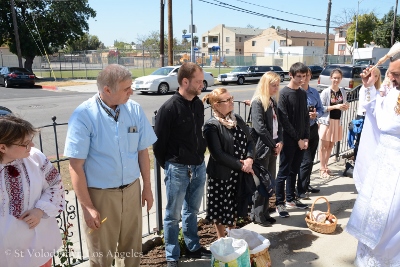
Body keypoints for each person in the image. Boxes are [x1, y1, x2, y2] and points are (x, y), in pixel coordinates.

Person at [64, 64, 157, 267]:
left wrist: (147, 188)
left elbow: (142, 151)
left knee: (132, 251)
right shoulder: (84, 115)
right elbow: (75, 166)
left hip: (132, 191)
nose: (131, 92)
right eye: (126, 88)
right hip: (101, 196)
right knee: (101, 255)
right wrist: (88, 207)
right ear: (107, 90)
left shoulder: (134, 109)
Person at [153, 62, 211, 266]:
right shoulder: (168, 109)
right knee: (172, 215)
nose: (202, 85)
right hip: (177, 168)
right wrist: (170, 166)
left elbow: (198, 133)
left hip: (198, 165)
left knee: (192, 211)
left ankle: (193, 247)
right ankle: (172, 255)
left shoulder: (198, 104)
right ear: (185, 81)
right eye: (198, 81)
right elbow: (158, 145)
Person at [346, 53, 400, 266]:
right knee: (373, 215)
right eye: (390, 74)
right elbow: (374, 111)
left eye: (395, 74)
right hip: (383, 162)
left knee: (392, 216)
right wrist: (369, 87)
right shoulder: (392, 92)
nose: (391, 78)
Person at [0, 115, 65, 267]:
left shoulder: (36, 158)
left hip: (38, 246)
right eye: (25, 144)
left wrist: (40, 210)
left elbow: (55, 185)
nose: (32, 145)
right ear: (2, 147)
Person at [202, 88, 255, 237]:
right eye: (228, 100)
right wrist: (242, 165)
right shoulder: (211, 126)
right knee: (220, 210)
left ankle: (233, 236)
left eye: (231, 98)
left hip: (239, 174)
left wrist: (250, 158)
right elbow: (218, 154)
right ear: (217, 105)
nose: (232, 102)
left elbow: (250, 140)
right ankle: (222, 240)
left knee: (234, 207)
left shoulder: (236, 118)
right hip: (221, 176)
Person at [275, 62, 310, 218]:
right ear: (290, 75)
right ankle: (279, 203)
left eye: (304, 76)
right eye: (298, 76)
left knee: (294, 171)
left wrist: (306, 138)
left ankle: (291, 198)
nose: (302, 79)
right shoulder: (283, 94)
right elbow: (284, 120)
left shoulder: (302, 93)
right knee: (283, 172)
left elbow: (306, 117)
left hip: (301, 140)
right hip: (289, 140)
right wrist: (298, 139)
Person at [249, 72, 283, 226]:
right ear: (265, 85)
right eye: (273, 85)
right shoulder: (257, 102)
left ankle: (265, 212)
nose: (276, 88)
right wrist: (273, 144)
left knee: (269, 182)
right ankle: (257, 215)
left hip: (273, 146)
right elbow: (259, 128)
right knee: (261, 183)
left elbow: (279, 125)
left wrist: (280, 142)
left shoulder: (272, 101)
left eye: (277, 85)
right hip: (262, 148)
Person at [297, 67, 324, 198]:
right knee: (305, 161)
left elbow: (321, 108)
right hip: (301, 131)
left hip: (313, 128)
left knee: (311, 159)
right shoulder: (295, 92)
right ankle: (300, 190)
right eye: (302, 75)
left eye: (307, 75)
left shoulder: (314, 92)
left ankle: (306, 184)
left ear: (310, 76)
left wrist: (316, 114)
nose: (304, 78)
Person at [318, 68, 349, 178]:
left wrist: (345, 107)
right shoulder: (326, 92)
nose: (336, 80)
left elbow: (343, 105)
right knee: (324, 146)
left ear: (341, 79)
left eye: (338, 78)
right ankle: (322, 168)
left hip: (337, 121)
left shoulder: (342, 91)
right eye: (334, 78)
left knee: (331, 145)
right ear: (331, 78)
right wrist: (335, 106)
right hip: (326, 121)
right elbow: (321, 108)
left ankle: (326, 166)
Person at [353, 67, 381, 161]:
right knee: (360, 142)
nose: (374, 78)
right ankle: (357, 162)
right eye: (371, 75)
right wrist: (369, 84)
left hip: (373, 118)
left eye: (376, 76)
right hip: (363, 117)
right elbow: (368, 101)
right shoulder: (366, 88)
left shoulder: (377, 90)